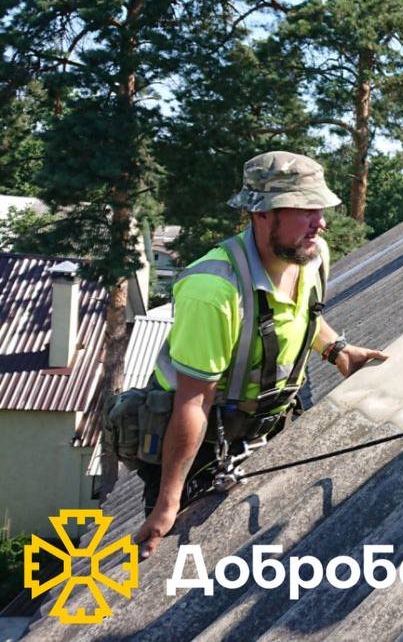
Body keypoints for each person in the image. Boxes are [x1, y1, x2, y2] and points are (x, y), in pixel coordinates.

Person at [134, 151, 388, 558]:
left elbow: (301, 315)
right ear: (262, 214)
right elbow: (193, 401)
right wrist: (168, 504)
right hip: (202, 446)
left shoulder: (309, 255)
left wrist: (336, 350)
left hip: (267, 427)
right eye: (305, 211)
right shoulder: (213, 290)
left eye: (319, 209)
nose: (319, 223)